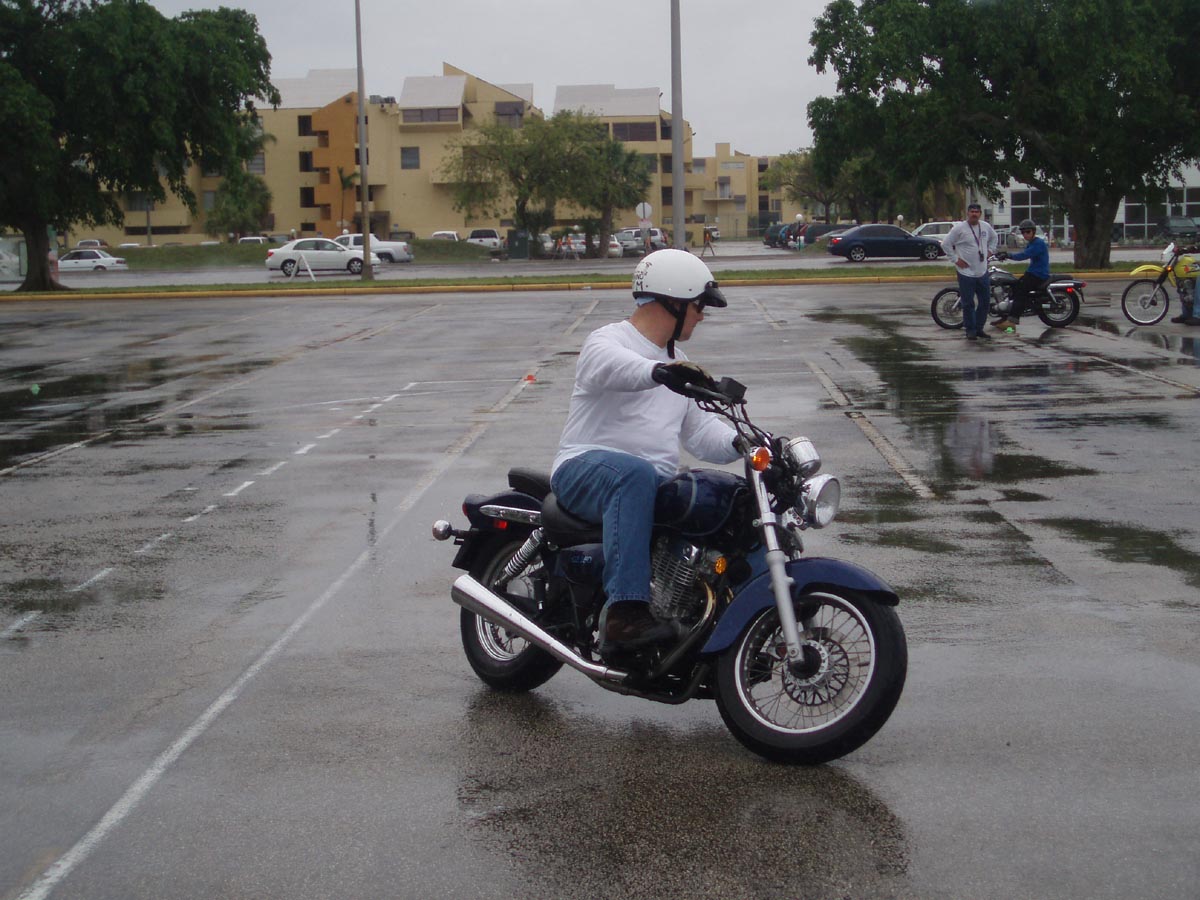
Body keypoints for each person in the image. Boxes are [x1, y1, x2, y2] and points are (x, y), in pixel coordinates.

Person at [550, 249, 741, 658]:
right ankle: (625, 614)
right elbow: (613, 368)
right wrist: (658, 372)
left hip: (646, 483)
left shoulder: (681, 365)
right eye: (699, 306)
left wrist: (744, 443)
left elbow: (701, 432)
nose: (702, 316)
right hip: (584, 468)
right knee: (634, 473)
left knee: (717, 498)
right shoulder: (608, 341)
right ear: (673, 300)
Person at [941, 203, 999, 341]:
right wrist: (955, 259)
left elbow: (994, 238)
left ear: (980, 214)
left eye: (977, 212)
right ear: (967, 213)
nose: (974, 214)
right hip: (966, 272)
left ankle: (979, 328)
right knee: (968, 303)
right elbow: (945, 244)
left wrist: (990, 251)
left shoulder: (985, 226)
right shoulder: (959, 228)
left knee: (985, 302)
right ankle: (970, 330)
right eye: (972, 211)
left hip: (982, 271)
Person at [994, 219, 1049, 332]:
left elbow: (1024, 255)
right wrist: (1000, 254)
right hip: (1032, 272)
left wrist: (1008, 255)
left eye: (1028, 232)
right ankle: (1005, 317)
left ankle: (1012, 322)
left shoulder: (1038, 243)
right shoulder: (1032, 243)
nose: (1025, 234)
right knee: (1013, 288)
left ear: (1033, 232)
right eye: (1023, 232)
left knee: (1020, 292)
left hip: (1038, 274)